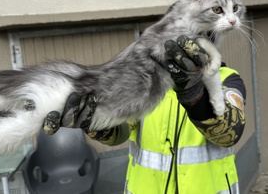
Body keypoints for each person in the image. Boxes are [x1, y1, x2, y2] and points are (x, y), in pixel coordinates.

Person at [43, 36, 246, 194]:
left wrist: (194, 94)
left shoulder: (227, 78)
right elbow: (120, 134)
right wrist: (93, 121)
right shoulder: (144, 86)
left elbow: (229, 133)